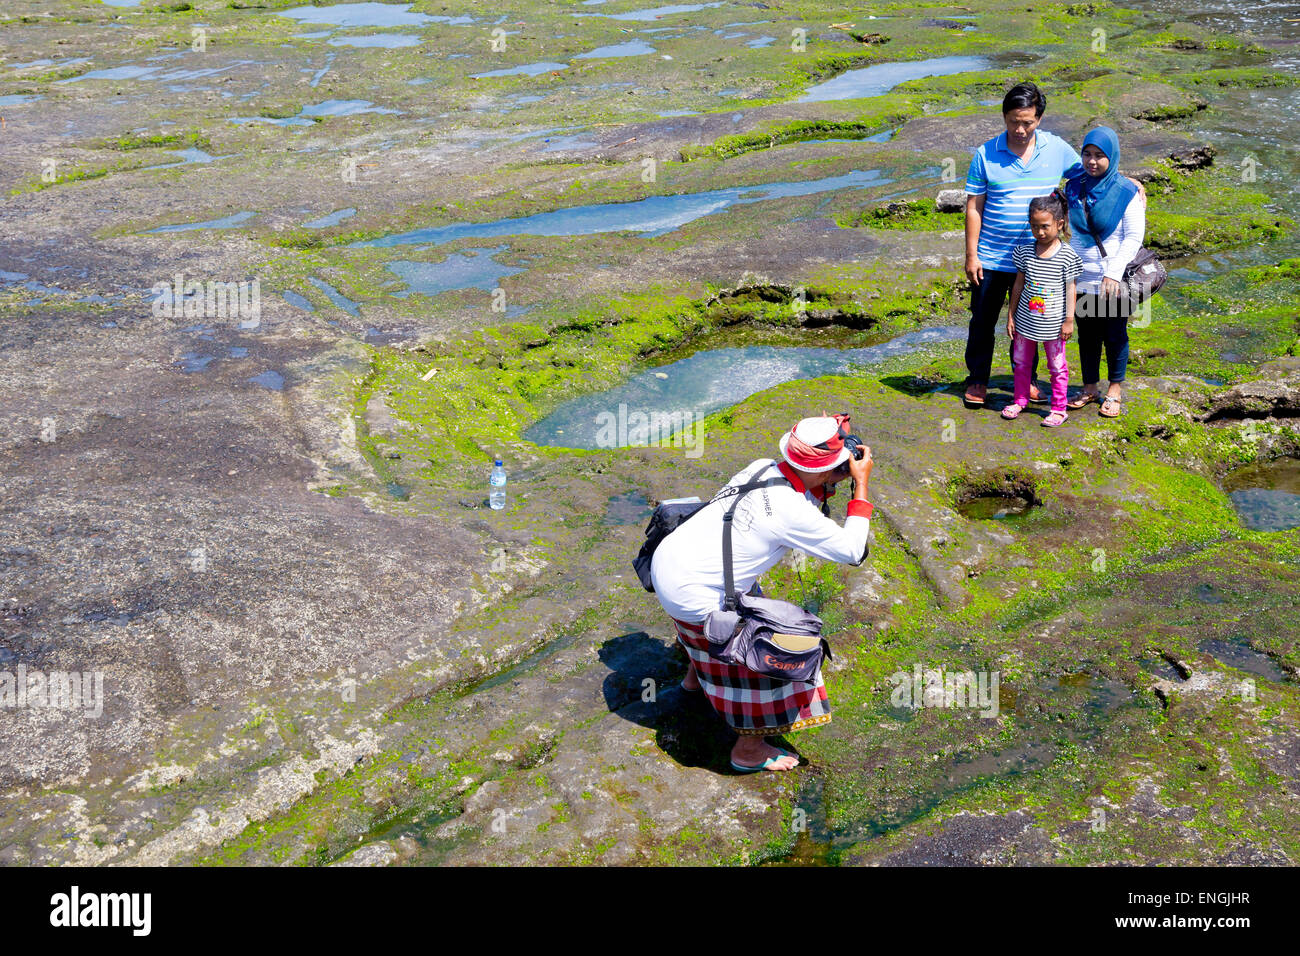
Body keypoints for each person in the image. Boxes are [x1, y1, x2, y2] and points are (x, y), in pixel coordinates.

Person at [650, 415, 873, 773]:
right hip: (694, 594)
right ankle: (749, 750)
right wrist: (860, 485)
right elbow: (853, 551)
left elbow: (796, 498)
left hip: (671, 566)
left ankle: (696, 680)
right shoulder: (792, 511)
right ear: (826, 470)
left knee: (745, 591)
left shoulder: (761, 467)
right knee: (783, 653)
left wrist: (827, 476)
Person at [962, 83, 1145, 408]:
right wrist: (971, 254)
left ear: (1040, 119)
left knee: (1032, 322)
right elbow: (974, 205)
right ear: (1004, 117)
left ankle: (1028, 381)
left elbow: (1093, 170)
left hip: (1038, 259)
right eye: (1013, 121)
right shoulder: (985, 154)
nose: (1020, 129)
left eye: (1027, 122)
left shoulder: (1057, 149)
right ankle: (977, 380)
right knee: (982, 322)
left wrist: (1128, 181)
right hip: (992, 257)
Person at [1064, 127, 1145, 418]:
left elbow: (1133, 238)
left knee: (1114, 335)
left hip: (1114, 279)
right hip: (1082, 276)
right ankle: (1089, 388)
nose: (1092, 161)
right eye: (1087, 154)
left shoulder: (1127, 191)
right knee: (1087, 336)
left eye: (1100, 156)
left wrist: (1112, 272)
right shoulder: (1073, 187)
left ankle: (1114, 391)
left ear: (1112, 157)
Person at [1001, 192, 1082, 426]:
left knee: (1057, 366)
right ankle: (1020, 399)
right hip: (1025, 322)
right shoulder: (1025, 251)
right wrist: (1010, 315)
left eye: (1045, 226)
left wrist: (1069, 319)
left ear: (1059, 223)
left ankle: (1058, 408)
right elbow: (1018, 284)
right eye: (1035, 227)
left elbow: (1070, 289)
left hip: (1055, 325)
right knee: (1021, 362)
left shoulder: (1067, 256)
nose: (1040, 232)